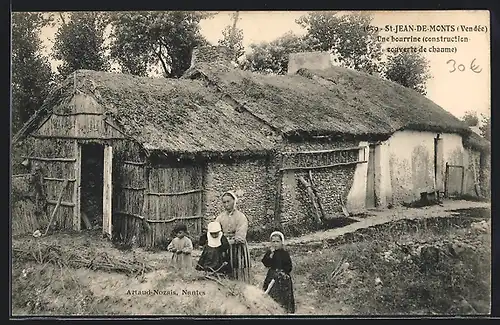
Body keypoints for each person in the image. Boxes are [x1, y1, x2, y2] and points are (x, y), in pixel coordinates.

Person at [215, 191, 251, 283]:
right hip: (224, 247)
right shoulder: (220, 217)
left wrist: (232, 241)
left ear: (234, 201)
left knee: (238, 269)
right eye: (224, 202)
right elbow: (216, 230)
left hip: (237, 248)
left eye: (228, 201)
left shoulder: (241, 217)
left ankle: (241, 287)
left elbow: (241, 235)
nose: (226, 204)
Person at [261, 231, 296, 314]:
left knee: (283, 296)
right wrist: (270, 255)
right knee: (270, 293)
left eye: (278, 241)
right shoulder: (270, 252)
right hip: (272, 274)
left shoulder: (285, 253)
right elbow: (266, 263)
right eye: (273, 241)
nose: (275, 244)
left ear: (281, 242)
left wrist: (283, 272)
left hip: (282, 277)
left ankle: (285, 309)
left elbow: (289, 266)